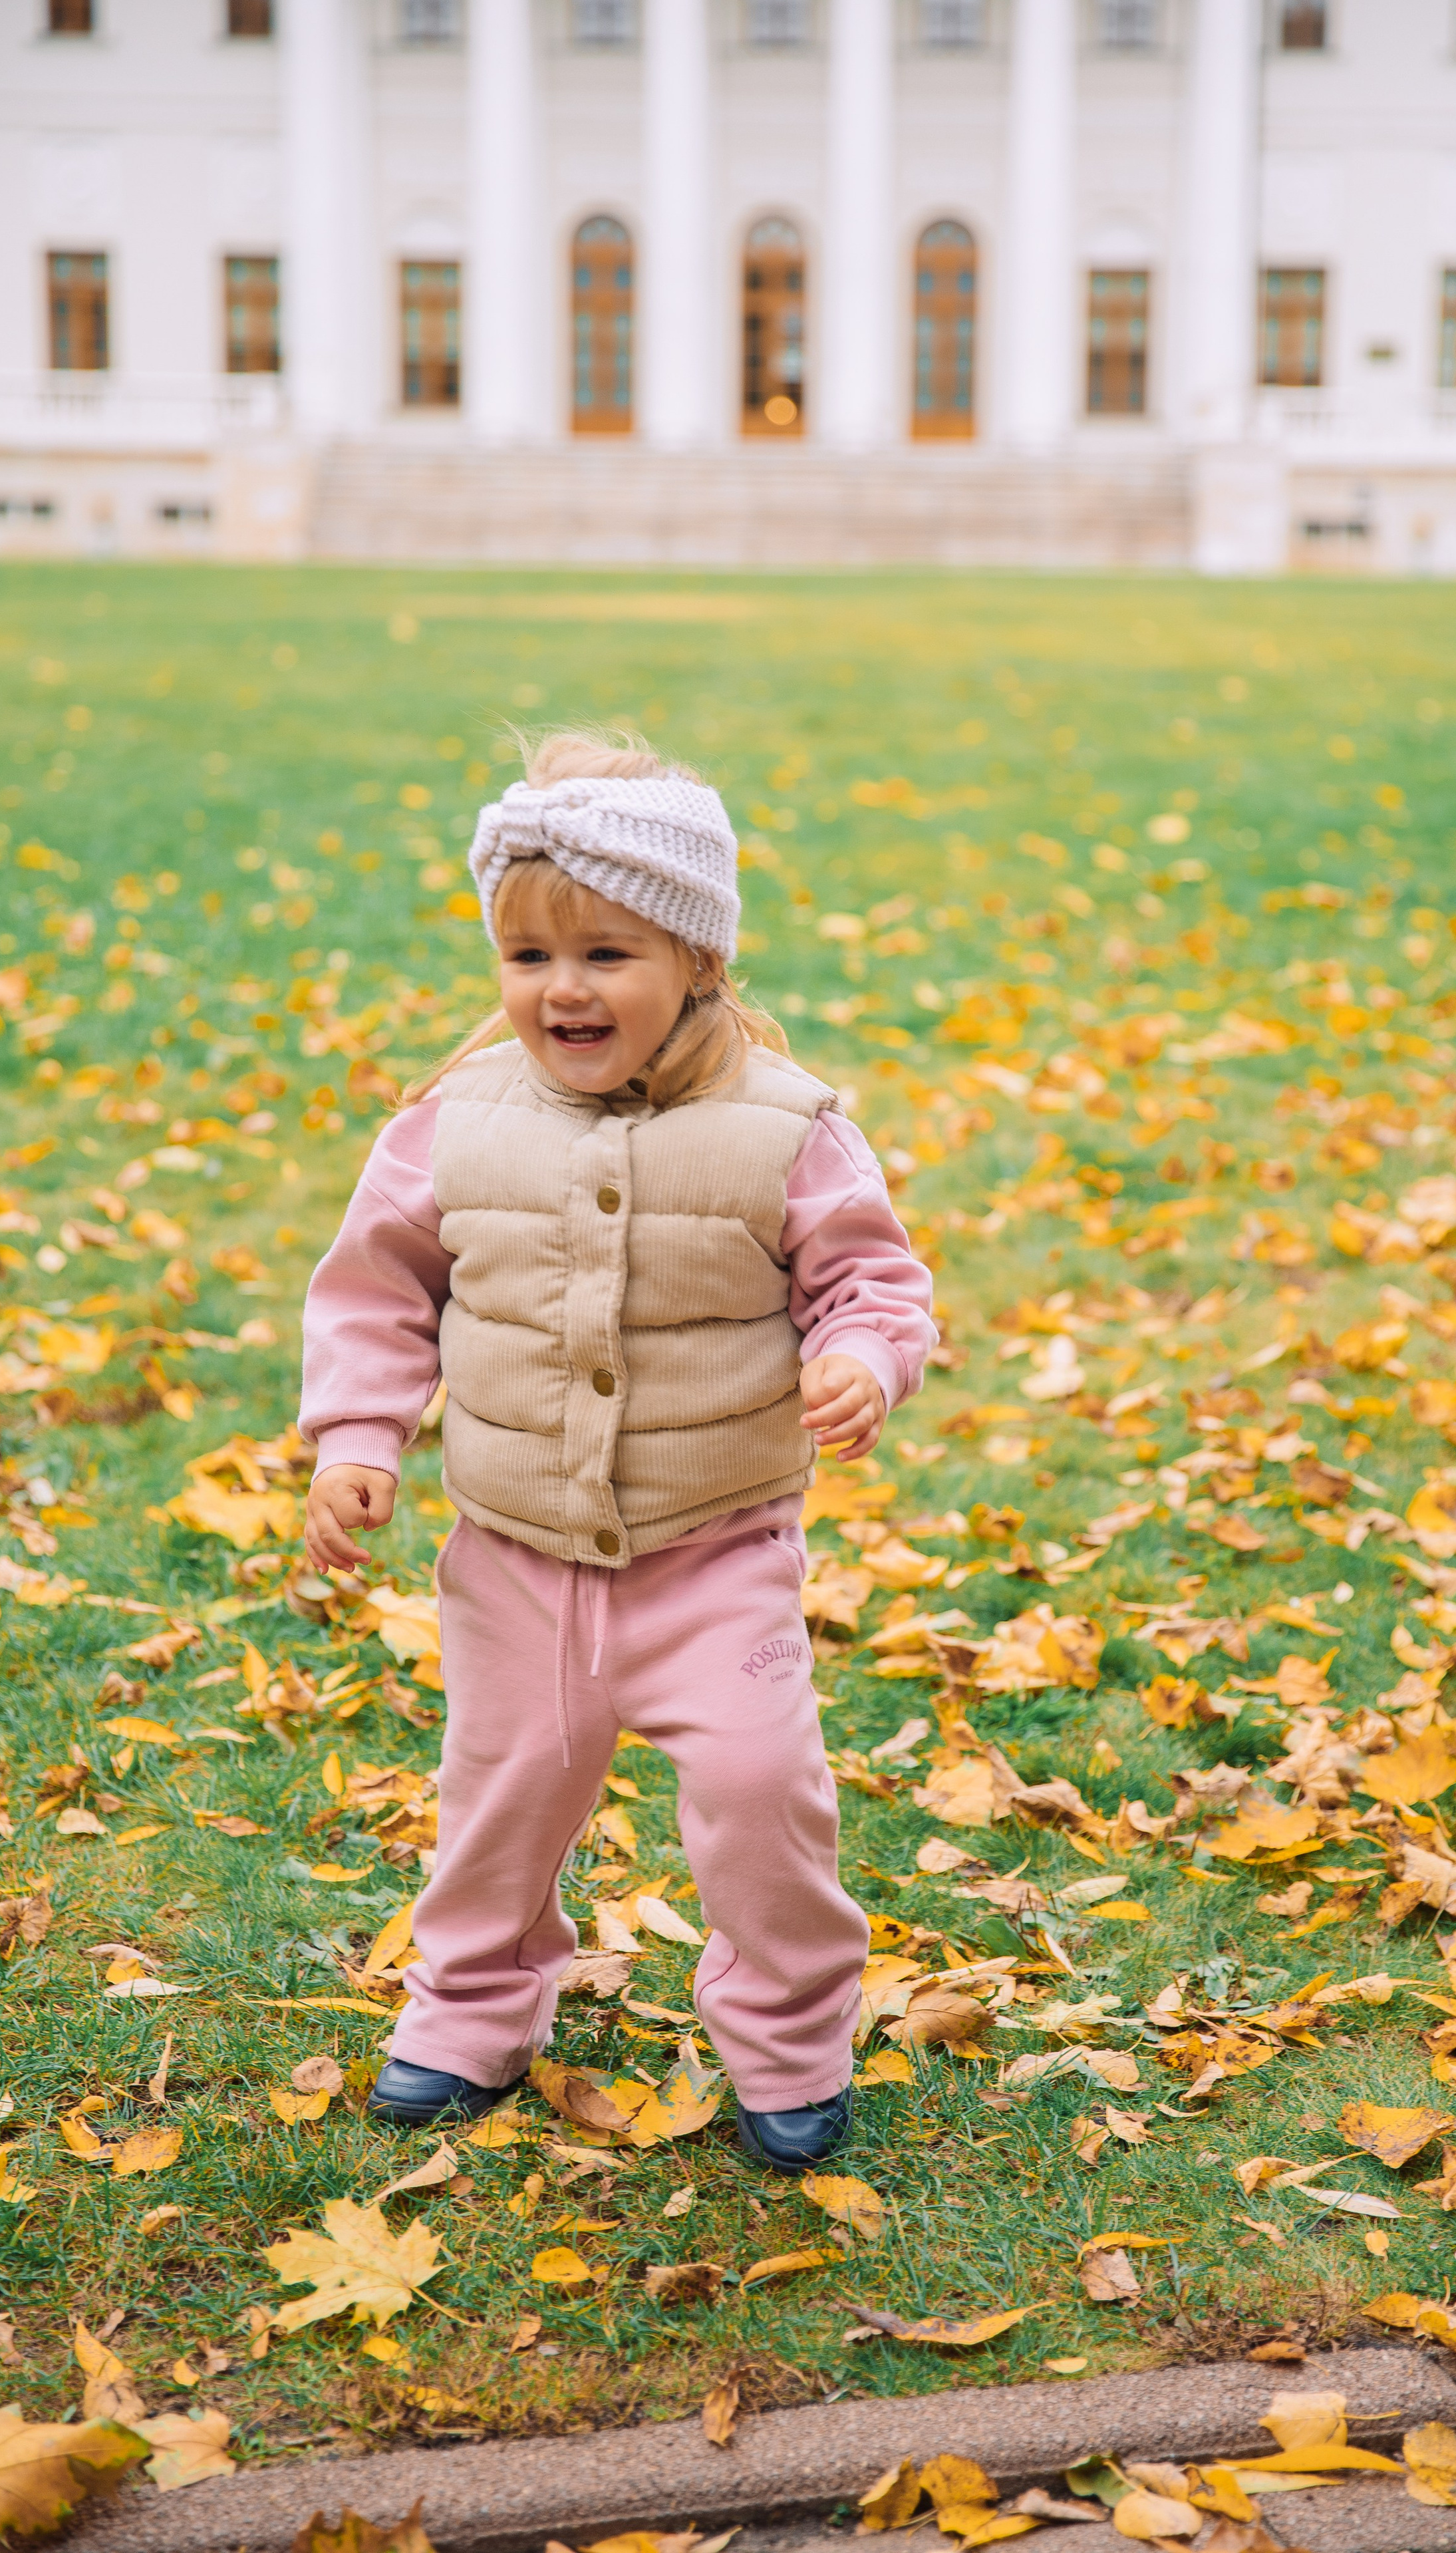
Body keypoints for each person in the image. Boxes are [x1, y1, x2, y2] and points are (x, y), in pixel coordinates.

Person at [298, 729, 935, 2172]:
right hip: (515, 1554)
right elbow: (377, 1291)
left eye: (605, 953)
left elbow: (872, 1280)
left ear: (697, 958)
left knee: (763, 1794)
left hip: (716, 1552)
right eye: (528, 957)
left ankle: (788, 2039)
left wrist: (859, 1357)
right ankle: (469, 2012)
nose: (562, 989)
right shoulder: (452, 1124)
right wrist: (359, 1433)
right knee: (501, 1800)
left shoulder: (785, 1129)